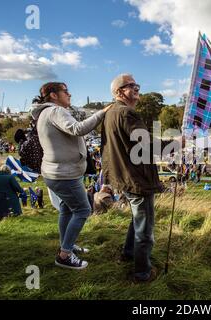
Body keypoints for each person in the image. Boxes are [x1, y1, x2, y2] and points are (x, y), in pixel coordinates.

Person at [31, 82, 111, 270]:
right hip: (64, 174)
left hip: (57, 172)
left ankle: (66, 243)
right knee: (83, 210)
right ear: (53, 95)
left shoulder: (44, 113)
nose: (70, 94)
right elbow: (78, 129)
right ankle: (65, 255)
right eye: (65, 91)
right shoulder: (55, 111)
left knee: (67, 209)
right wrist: (102, 112)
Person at [101, 74, 162, 283]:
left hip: (123, 176)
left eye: (137, 85)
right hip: (136, 178)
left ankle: (128, 253)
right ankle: (142, 273)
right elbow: (147, 144)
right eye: (131, 86)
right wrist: (176, 144)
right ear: (119, 92)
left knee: (138, 217)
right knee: (145, 229)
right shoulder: (126, 113)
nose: (137, 88)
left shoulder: (111, 113)